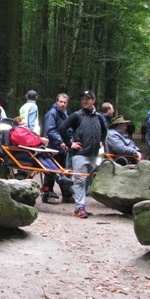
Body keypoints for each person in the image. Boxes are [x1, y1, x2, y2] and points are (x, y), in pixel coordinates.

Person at [58, 91, 107, 219]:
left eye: (87, 99)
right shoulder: (77, 115)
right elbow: (62, 127)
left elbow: (105, 130)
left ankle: (79, 207)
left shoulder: (99, 117)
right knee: (79, 180)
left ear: (93, 101)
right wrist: (70, 144)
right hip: (79, 154)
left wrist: (101, 141)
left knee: (88, 180)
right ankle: (80, 207)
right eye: (83, 99)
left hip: (93, 154)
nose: (84, 101)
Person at [9, 116, 73, 187]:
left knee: (45, 156)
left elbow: (31, 139)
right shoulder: (16, 132)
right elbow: (26, 141)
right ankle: (57, 176)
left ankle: (60, 175)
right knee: (38, 156)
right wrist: (40, 140)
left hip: (28, 152)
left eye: (26, 123)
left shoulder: (26, 131)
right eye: (23, 123)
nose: (25, 125)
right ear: (17, 125)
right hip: (21, 154)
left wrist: (41, 142)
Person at [42, 93, 74, 204]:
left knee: (63, 171)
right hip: (52, 147)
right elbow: (50, 130)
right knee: (51, 171)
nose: (62, 104)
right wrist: (60, 141)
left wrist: (70, 142)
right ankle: (47, 193)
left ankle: (66, 195)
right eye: (61, 102)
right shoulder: (52, 113)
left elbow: (68, 129)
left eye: (65, 102)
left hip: (63, 148)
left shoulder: (65, 113)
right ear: (57, 101)